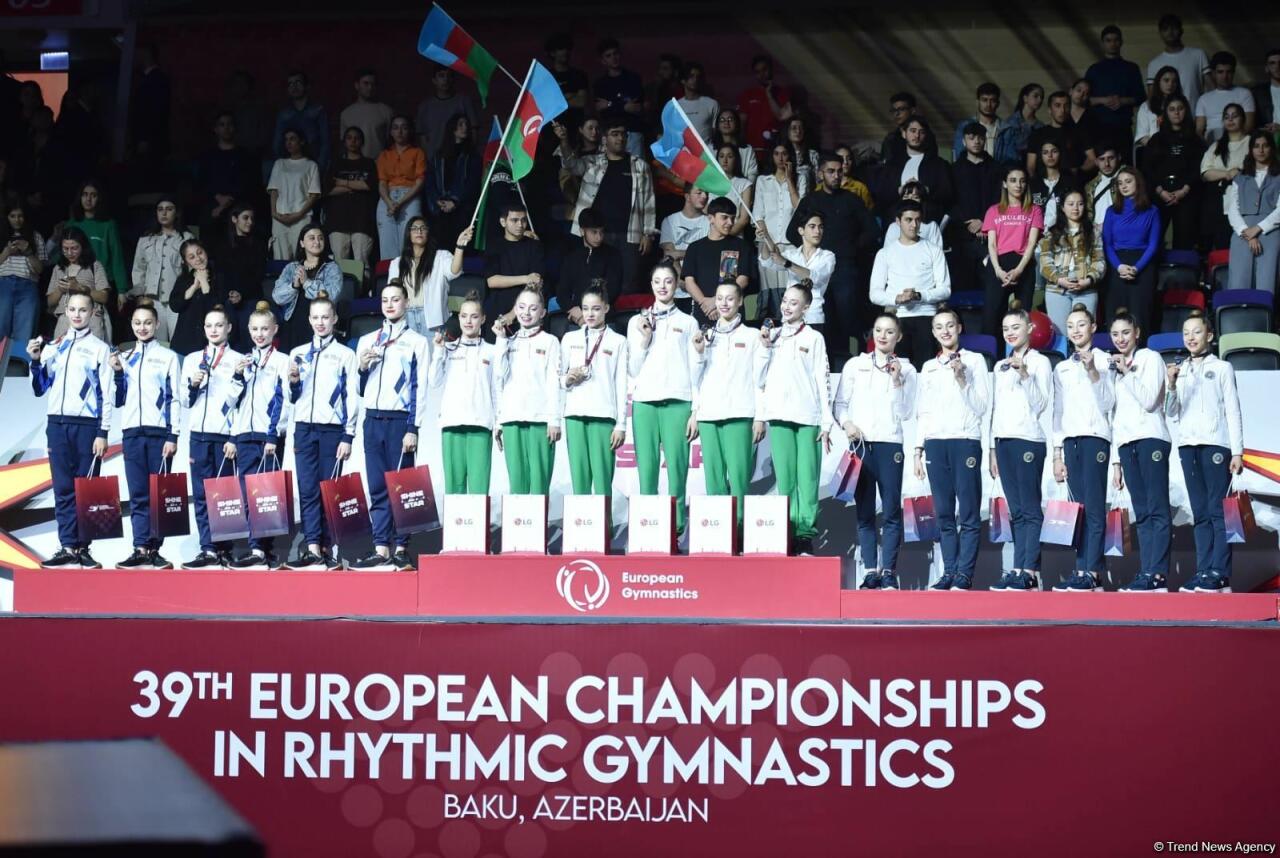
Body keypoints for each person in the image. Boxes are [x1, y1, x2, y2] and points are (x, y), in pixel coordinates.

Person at [28, 292, 113, 569]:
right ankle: (67, 546)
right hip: (57, 425)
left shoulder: (100, 349)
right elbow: (40, 388)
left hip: (87, 427)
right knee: (63, 489)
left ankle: (84, 549)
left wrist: (103, 431)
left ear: (92, 312)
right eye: (73, 309)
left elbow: (106, 394)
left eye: (82, 310)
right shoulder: (53, 346)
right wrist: (36, 361)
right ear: (65, 311)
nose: (77, 314)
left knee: (87, 489)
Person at [352, 281, 431, 570]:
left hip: (400, 422)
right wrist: (363, 367)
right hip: (372, 420)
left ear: (406, 302)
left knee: (402, 487)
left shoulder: (417, 342)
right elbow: (359, 388)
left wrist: (413, 428)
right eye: (385, 300)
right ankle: (381, 547)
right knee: (377, 487)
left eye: (395, 299)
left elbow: (419, 388)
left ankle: (401, 548)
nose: (389, 305)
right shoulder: (367, 340)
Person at [835, 312, 917, 589]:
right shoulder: (855, 365)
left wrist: (897, 380)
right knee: (865, 511)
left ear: (899, 337)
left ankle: (889, 571)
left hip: (890, 444)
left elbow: (907, 412)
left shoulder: (907, 370)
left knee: (891, 510)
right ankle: (870, 570)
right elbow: (840, 404)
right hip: (861, 445)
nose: (883, 336)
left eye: (889, 331)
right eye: (878, 330)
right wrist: (847, 424)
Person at [1164, 311, 1243, 593]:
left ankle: (1220, 573)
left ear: (1209, 335)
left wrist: (1237, 451)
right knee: (1200, 512)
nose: (1191, 337)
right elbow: (1170, 412)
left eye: (1196, 332)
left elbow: (1233, 410)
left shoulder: (1222, 368)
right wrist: (1171, 384)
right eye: (1186, 333)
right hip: (1188, 446)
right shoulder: (1180, 369)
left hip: (1216, 445)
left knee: (1218, 510)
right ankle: (1203, 570)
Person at [914, 308, 991, 590]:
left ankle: (964, 574)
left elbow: (982, 407)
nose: (945, 331)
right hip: (936, 443)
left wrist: (962, 380)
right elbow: (924, 410)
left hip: (965, 440)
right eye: (939, 327)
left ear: (959, 328)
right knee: (944, 513)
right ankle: (949, 570)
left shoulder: (975, 361)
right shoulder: (929, 367)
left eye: (949, 325)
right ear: (934, 332)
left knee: (969, 512)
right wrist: (918, 449)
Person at [285, 292, 360, 570]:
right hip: (304, 429)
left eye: (325, 317)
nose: (320, 322)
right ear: (309, 320)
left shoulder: (345, 355)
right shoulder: (297, 353)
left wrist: (348, 435)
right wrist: (294, 382)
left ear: (334, 319)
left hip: (332, 431)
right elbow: (292, 398)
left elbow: (351, 397)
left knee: (329, 490)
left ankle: (329, 547)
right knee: (307, 490)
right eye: (315, 317)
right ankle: (313, 547)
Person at [756, 280, 831, 555]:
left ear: (806, 308)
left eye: (794, 303)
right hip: (779, 416)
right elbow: (758, 379)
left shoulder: (814, 338)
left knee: (807, 478)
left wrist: (826, 421)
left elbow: (822, 380)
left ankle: (804, 534)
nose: (787, 307)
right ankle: (785, 531)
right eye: (785, 301)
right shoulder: (771, 337)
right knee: (785, 479)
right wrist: (765, 348)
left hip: (808, 417)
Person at [628, 259, 703, 535]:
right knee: (646, 470)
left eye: (668, 281)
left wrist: (696, 411)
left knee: (677, 470)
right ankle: (648, 529)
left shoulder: (688, 322)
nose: (663, 286)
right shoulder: (637, 321)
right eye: (657, 281)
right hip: (645, 403)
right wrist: (644, 340)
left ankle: (677, 527)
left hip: (678, 403)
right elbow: (633, 368)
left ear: (676, 285)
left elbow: (696, 370)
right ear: (651, 285)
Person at [787, 152, 878, 365]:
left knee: (848, 317)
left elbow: (872, 230)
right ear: (820, 174)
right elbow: (791, 233)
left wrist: (851, 249)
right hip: (817, 268)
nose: (836, 175)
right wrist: (812, 250)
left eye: (839, 171)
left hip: (845, 268)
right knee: (821, 317)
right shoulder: (810, 200)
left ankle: (851, 364)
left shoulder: (852, 200)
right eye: (830, 171)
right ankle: (820, 362)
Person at [1050, 303, 1116, 592]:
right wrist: (1057, 453)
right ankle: (1083, 570)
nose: (1076, 330)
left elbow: (1109, 403)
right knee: (1078, 510)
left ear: (1093, 327)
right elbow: (1057, 412)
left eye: (1081, 324)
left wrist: (1092, 372)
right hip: (1070, 441)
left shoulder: (1105, 360)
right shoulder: (1062, 367)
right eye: (1070, 326)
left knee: (1094, 508)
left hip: (1096, 437)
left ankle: (1093, 571)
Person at [112, 300, 182, 569]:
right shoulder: (124, 357)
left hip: (159, 434)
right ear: (132, 325)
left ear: (157, 324)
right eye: (137, 323)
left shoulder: (168, 357)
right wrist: (118, 374)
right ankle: (140, 547)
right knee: (138, 493)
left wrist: (173, 435)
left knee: (159, 494)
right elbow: (119, 399)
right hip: (132, 433)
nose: (142, 327)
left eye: (148, 323)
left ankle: (155, 550)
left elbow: (174, 398)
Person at [221, 302, 291, 570]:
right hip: (243, 436)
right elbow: (230, 402)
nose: (259, 334)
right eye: (255, 329)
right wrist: (238, 375)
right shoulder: (243, 361)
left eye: (264, 329)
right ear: (248, 330)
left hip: (267, 437)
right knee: (247, 494)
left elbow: (284, 401)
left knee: (266, 495)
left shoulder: (282, 361)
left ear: (274, 330)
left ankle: (262, 550)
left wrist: (273, 436)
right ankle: (257, 549)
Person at [987, 304, 1052, 591]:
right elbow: (995, 409)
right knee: (1016, 510)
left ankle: (1030, 570)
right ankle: (1017, 567)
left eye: (1016, 327)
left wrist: (1025, 374)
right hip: (1003, 440)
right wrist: (992, 448)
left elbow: (1041, 404)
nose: (1010, 333)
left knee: (1030, 507)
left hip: (1029, 439)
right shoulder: (1000, 366)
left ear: (1029, 328)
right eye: (1006, 329)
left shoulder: (1040, 362)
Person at [1108, 310, 1172, 592]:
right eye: (1115, 334)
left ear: (1137, 333)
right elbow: (1114, 415)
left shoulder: (1150, 358)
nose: (1120, 339)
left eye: (1125, 332)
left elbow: (1148, 400)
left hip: (1151, 438)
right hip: (1126, 443)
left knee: (1157, 509)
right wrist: (1116, 463)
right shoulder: (1115, 368)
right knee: (1142, 512)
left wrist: (1127, 372)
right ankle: (1147, 572)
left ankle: (1158, 574)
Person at [692, 281, 765, 526]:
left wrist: (760, 416)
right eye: (720, 298)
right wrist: (699, 353)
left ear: (740, 301)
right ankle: (718, 530)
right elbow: (695, 379)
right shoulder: (705, 335)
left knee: (739, 478)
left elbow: (760, 380)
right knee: (713, 479)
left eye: (730, 298)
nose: (724, 303)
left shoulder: (752, 336)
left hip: (739, 414)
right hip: (709, 415)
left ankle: (740, 530)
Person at [557, 118, 656, 294]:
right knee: (595, 281)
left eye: (623, 134)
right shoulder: (592, 162)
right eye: (614, 134)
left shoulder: (640, 166)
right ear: (604, 139)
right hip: (597, 234)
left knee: (628, 283)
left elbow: (649, 201)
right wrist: (564, 141)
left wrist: (648, 234)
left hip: (630, 234)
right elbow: (571, 165)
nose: (620, 138)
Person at [178, 306, 243, 568]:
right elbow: (185, 401)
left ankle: (225, 549)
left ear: (229, 328)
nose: (213, 330)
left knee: (225, 496)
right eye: (209, 325)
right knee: (202, 494)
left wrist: (234, 437)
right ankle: (208, 549)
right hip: (198, 436)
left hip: (225, 437)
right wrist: (193, 384)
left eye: (218, 325)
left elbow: (242, 404)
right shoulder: (192, 359)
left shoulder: (239, 359)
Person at [429, 291, 501, 495]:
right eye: (464, 316)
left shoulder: (492, 351)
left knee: (479, 489)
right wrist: (438, 351)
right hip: (452, 424)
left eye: (474, 316)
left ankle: (478, 519)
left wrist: (498, 422)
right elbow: (434, 382)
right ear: (459, 318)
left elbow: (496, 390)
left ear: (483, 319)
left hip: (480, 425)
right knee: (454, 489)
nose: (468, 321)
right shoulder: (448, 348)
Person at [560, 283, 628, 496]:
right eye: (585, 308)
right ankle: (581, 517)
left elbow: (621, 384)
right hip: (574, 414)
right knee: (579, 480)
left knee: (602, 480)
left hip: (603, 415)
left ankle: (603, 518)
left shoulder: (618, 341)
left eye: (596, 308)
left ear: (606, 308)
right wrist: (567, 379)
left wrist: (621, 424)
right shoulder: (570, 339)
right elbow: (558, 378)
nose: (590, 314)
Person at [493, 286, 561, 496]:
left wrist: (554, 420)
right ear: (515, 310)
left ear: (543, 312)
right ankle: (518, 519)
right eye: (521, 307)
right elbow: (499, 377)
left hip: (540, 420)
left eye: (533, 308)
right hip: (512, 419)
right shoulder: (508, 341)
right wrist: (501, 340)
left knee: (539, 484)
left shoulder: (550, 341)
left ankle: (538, 519)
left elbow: (554, 383)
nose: (526, 312)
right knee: (517, 485)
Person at [868, 201, 950, 367]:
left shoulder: (933, 250)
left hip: (927, 316)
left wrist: (919, 296)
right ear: (898, 222)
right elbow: (874, 294)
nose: (914, 225)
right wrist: (897, 298)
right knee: (897, 371)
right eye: (908, 220)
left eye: (918, 220)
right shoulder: (885, 253)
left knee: (926, 370)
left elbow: (945, 290)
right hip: (897, 317)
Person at [981, 166, 1043, 338]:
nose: (1018, 185)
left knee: (1022, 317)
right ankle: (991, 353)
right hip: (999, 265)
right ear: (1005, 184)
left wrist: (1019, 270)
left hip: (1024, 265)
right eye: (1013, 180)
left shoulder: (1034, 210)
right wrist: (998, 270)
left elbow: (1031, 243)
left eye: (1022, 181)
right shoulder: (993, 210)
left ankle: (1020, 353)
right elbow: (992, 244)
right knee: (992, 316)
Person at [388, 217, 470, 343]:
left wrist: (459, 247)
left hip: (432, 320)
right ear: (408, 234)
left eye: (423, 228)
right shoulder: (397, 263)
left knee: (434, 355)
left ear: (428, 233)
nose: (419, 231)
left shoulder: (440, 256)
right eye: (414, 228)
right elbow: (392, 291)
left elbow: (454, 271)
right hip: (405, 318)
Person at [680, 197, 758, 326]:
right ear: (711, 218)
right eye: (724, 218)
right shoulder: (695, 248)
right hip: (704, 312)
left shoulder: (741, 246)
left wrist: (716, 301)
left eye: (733, 218)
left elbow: (743, 280)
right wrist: (705, 304)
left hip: (731, 313)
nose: (730, 222)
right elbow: (689, 282)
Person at [1142, 94, 1205, 250]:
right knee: (1154, 239)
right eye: (1172, 109)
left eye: (1180, 108)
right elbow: (1147, 168)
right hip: (1159, 193)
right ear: (1166, 113)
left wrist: (1184, 190)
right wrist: (1160, 191)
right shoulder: (1156, 139)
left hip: (1186, 193)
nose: (1176, 112)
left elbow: (1199, 168)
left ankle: (1182, 266)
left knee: (1184, 242)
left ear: (1186, 111)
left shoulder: (1195, 140)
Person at [1039, 189, 1106, 334]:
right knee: (1060, 335)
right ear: (1062, 207)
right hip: (1057, 290)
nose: (1075, 208)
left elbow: (1099, 261)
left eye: (1080, 204)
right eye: (1070, 204)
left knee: (1084, 334)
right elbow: (1044, 262)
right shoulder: (1051, 233)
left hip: (1086, 289)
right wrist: (1059, 279)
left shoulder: (1093, 232)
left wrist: (1088, 280)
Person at [1102, 167, 1161, 329]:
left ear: (1138, 183)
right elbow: (1107, 243)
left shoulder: (1152, 211)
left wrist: (1137, 268)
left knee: (1140, 316)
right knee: (1115, 315)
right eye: (1120, 183)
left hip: (1143, 264)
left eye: (1128, 181)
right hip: (1116, 264)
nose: (1124, 186)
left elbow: (1153, 245)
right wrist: (1119, 266)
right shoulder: (1111, 211)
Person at [760, 212, 835, 336]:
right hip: (790, 316)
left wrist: (786, 263)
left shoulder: (827, 256)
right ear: (801, 230)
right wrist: (765, 237)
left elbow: (813, 276)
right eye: (812, 226)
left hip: (813, 316)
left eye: (820, 227)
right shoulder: (792, 254)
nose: (817, 231)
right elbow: (768, 261)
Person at [129, 195, 192, 342]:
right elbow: (139, 269)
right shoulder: (146, 239)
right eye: (160, 209)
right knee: (156, 342)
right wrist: (140, 296)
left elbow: (191, 268)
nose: (164, 213)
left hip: (176, 299)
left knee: (178, 341)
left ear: (176, 213)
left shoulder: (186, 238)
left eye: (169, 209)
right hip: (152, 300)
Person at [948, 123, 1001, 295]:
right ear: (964, 141)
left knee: (990, 287)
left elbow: (999, 199)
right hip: (962, 236)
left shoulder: (996, 168)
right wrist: (970, 223)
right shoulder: (954, 170)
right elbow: (950, 201)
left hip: (991, 235)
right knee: (963, 287)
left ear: (985, 140)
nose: (976, 141)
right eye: (971, 138)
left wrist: (984, 222)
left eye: (980, 138)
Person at [1225, 130, 1280, 292]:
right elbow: (1233, 210)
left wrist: (1258, 228)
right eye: (1256, 146)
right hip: (1242, 232)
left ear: (1271, 148)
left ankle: (1265, 309)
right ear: (1251, 150)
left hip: (1270, 232)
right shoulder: (1241, 177)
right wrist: (1246, 232)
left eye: (1265, 146)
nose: (1261, 150)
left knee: (1267, 280)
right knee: (1239, 279)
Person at [752, 144, 805, 314]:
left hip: (792, 245)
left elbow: (801, 210)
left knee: (791, 290)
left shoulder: (800, 179)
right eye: (776, 154)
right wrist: (769, 242)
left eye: (784, 153)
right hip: (768, 244)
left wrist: (789, 180)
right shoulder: (763, 180)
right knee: (770, 292)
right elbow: (758, 214)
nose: (781, 158)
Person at [272, 226, 341, 351]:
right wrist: (294, 286)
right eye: (312, 238)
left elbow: (331, 296)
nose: (317, 242)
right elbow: (277, 297)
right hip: (292, 324)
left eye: (320, 238)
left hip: (318, 324)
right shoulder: (291, 267)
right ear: (302, 243)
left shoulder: (332, 268)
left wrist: (307, 283)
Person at [169, 239, 243, 355]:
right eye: (192, 257)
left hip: (210, 342)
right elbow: (175, 305)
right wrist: (194, 287)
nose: (198, 258)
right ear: (186, 261)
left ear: (205, 251)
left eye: (200, 253)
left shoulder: (220, 276)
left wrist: (204, 282)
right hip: (184, 341)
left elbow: (216, 307)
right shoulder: (184, 279)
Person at [875, 117, 953, 225]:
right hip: (896, 224)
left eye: (921, 132)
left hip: (927, 223)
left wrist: (926, 190)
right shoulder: (891, 165)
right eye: (913, 131)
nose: (917, 136)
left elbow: (948, 194)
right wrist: (899, 190)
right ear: (904, 133)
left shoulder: (939, 165)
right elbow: (880, 196)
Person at [193, 112, 261, 233]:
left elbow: (250, 183)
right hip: (213, 206)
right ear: (216, 129)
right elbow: (202, 182)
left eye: (230, 124)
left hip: (239, 205)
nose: (226, 128)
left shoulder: (246, 156)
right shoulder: (207, 156)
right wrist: (218, 198)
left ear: (235, 128)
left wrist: (226, 203)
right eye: (222, 124)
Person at [60, 180, 127, 301]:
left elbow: (117, 257)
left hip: (102, 283)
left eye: (93, 195)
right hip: (75, 280)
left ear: (99, 198)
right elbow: (62, 256)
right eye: (85, 194)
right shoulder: (72, 224)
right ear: (80, 197)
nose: (88, 199)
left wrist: (122, 290)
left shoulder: (108, 225)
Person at [326, 127, 378, 277]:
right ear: (344, 141)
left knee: (361, 263)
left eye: (357, 138)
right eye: (349, 137)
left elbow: (368, 186)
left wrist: (342, 183)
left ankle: (364, 291)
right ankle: (341, 291)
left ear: (362, 142)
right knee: (339, 264)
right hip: (338, 219)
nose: (353, 141)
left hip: (362, 220)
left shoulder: (369, 163)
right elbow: (328, 190)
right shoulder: (336, 163)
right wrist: (355, 186)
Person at [483, 203, 545, 325]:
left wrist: (513, 313)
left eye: (523, 220)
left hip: (526, 311)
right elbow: (492, 281)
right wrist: (525, 278)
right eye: (514, 220)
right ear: (503, 222)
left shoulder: (535, 246)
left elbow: (535, 282)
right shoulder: (494, 246)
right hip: (497, 308)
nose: (520, 225)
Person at [376, 115, 426, 262]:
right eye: (395, 128)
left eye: (404, 127)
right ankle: (390, 275)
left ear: (409, 130)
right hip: (388, 197)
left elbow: (420, 181)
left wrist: (401, 202)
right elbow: (382, 182)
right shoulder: (384, 155)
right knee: (387, 242)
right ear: (391, 132)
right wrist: (389, 202)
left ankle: (410, 273)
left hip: (410, 196)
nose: (400, 131)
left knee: (409, 239)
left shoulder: (417, 152)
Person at [425, 113, 479, 249]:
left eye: (466, 124)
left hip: (462, 208)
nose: (464, 128)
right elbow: (430, 180)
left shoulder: (472, 155)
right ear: (452, 128)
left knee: (462, 246)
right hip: (441, 208)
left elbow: (472, 182)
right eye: (460, 124)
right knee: (442, 248)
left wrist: (455, 201)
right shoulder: (438, 156)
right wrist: (437, 200)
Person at [1199, 103, 1250, 249]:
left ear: (1243, 119)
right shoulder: (1216, 146)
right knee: (1221, 241)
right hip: (1218, 199)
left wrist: (1238, 173)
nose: (1230, 120)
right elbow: (1205, 172)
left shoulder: (1251, 142)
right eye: (1227, 117)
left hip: (1244, 196)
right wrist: (1227, 174)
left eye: (1235, 116)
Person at [266, 128, 321, 261]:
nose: (289, 143)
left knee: (301, 256)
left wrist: (298, 214)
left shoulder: (311, 165)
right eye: (286, 140)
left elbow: (313, 194)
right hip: (280, 217)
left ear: (301, 142)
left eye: (292, 139)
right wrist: (274, 213)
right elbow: (274, 190)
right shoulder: (280, 163)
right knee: (280, 256)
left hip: (301, 217)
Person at [0, 200, 46, 359]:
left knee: (24, 334)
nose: (17, 220)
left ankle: (19, 369)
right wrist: (6, 252)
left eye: (20, 216)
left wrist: (28, 251)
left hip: (28, 286)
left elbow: (40, 269)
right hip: (3, 284)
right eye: (12, 216)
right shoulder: (1, 235)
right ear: (6, 217)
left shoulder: (35, 236)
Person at [47, 228, 111, 341]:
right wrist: (60, 289)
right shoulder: (58, 268)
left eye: (74, 248)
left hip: (91, 318)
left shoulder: (94, 265)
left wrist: (80, 288)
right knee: (62, 350)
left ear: (83, 247)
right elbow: (50, 302)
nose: (69, 253)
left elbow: (104, 297)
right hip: (65, 319)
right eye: (65, 249)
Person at [559, 209, 623, 316]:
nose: (599, 237)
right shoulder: (572, 257)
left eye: (601, 232)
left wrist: (588, 311)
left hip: (603, 314)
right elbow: (562, 291)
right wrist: (572, 309)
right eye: (594, 232)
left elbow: (613, 290)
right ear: (582, 231)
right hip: (575, 314)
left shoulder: (613, 255)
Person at [1085, 26, 1146, 137]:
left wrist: (1122, 101)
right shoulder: (1094, 70)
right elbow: (1084, 99)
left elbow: (1141, 97)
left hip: (1123, 126)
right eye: (1108, 40)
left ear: (1121, 42)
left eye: (1116, 40)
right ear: (1103, 43)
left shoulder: (1131, 68)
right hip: (1098, 127)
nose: (1112, 44)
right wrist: (1104, 100)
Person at [593, 39, 646, 158]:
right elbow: (600, 109)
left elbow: (636, 108)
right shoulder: (600, 84)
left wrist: (610, 104)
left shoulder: (633, 79)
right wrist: (623, 106)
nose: (613, 58)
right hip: (609, 133)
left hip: (632, 131)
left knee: (637, 168)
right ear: (603, 60)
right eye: (608, 56)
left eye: (615, 53)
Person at [208, 204, 267, 312]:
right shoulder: (223, 245)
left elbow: (258, 274)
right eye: (245, 218)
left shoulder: (258, 244)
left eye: (252, 218)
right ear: (234, 219)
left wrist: (241, 293)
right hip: (228, 297)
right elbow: (220, 274)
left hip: (251, 297)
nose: (250, 222)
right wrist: (228, 294)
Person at [1145, 15, 1209, 109]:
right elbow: (1152, 98)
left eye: (1174, 28)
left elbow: (1211, 88)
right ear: (1160, 33)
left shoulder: (1198, 55)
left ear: (1181, 31)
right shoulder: (1154, 64)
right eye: (1165, 29)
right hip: (1166, 116)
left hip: (1195, 115)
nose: (1170, 32)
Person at [415, 68, 478, 161]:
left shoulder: (463, 101)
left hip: (460, 158)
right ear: (434, 80)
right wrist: (429, 157)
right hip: (435, 159)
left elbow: (474, 130)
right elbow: (422, 137)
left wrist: (468, 155)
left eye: (449, 76)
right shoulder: (425, 106)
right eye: (441, 76)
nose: (445, 79)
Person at [273, 71, 329, 170]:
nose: (294, 87)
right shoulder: (284, 114)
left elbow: (325, 142)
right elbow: (277, 143)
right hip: (290, 164)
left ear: (307, 86)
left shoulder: (318, 110)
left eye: (298, 82)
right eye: (290, 84)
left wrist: (320, 167)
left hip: (314, 162)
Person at [1195, 52, 1256, 143]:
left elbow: (1249, 125)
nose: (1225, 76)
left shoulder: (1244, 93)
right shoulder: (1203, 99)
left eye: (1229, 72)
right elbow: (1199, 130)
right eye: (1220, 72)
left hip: (1237, 141)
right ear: (1213, 73)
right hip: (1211, 143)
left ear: (1233, 72)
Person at [737, 55, 793, 152]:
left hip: (776, 150)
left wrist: (769, 95)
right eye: (758, 72)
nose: (762, 74)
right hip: (753, 149)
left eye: (764, 69)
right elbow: (742, 123)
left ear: (771, 70)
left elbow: (781, 116)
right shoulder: (747, 95)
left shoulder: (782, 93)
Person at [339, 68, 393, 160]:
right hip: (354, 164)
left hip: (380, 163)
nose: (370, 88)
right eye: (366, 83)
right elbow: (343, 145)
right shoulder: (346, 113)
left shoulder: (386, 111)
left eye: (373, 84)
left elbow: (391, 143)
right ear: (357, 85)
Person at [660, 185, 710, 276]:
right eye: (699, 193)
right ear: (687, 196)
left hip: (701, 275)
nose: (704, 196)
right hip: (675, 277)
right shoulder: (669, 220)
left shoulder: (710, 222)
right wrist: (681, 277)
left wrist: (679, 253)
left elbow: (706, 254)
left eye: (706, 193)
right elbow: (670, 253)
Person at [1029, 137, 1075, 230]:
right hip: (1038, 233)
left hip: (1064, 232)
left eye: (1054, 151)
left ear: (1060, 153)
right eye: (1045, 152)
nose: (1050, 155)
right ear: (1041, 156)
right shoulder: (1033, 184)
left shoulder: (1070, 182)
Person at [995, 83, 1045, 167]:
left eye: (1041, 97)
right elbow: (1001, 152)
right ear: (1025, 98)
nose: (1039, 100)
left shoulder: (1040, 127)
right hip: (1011, 168)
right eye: (1036, 96)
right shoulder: (1010, 123)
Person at [711, 144, 754, 236]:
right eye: (721, 156)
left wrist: (726, 236)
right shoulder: (710, 183)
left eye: (730, 156)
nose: (725, 160)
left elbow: (744, 219)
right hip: (710, 235)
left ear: (736, 160)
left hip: (734, 236)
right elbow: (705, 212)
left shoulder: (744, 184)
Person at [951, 82, 1001, 161]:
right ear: (977, 102)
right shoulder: (964, 126)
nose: (988, 104)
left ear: (998, 103)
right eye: (984, 100)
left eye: (993, 100)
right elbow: (958, 156)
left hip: (998, 168)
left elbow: (1010, 159)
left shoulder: (1006, 129)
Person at [1136, 66, 1183, 149]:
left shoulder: (1182, 104)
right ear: (1158, 82)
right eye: (1166, 80)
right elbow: (1142, 137)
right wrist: (1161, 148)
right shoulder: (1146, 106)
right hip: (1154, 149)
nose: (1170, 84)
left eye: (1174, 81)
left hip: (1178, 148)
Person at [711, 109, 759, 183]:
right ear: (717, 126)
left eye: (730, 119)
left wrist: (744, 188)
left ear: (737, 124)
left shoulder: (747, 149)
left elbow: (752, 174)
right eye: (722, 120)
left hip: (743, 188)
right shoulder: (710, 148)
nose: (726, 123)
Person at [676, 62, 719, 143]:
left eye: (698, 77)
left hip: (706, 150)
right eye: (691, 76)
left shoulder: (711, 104)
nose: (695, 80)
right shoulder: (675, 106)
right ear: (683, 80)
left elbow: (716, 133)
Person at [546, 33, 589, 112]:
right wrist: (571, 96)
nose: (565, 51)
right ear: (552, 53)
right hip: (556, 120)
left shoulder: (579, 75)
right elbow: (547, 105)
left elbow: (581, 102)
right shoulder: (547, 77)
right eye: (561, 48)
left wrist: (558, 100)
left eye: (567, 48)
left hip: (576, 119)